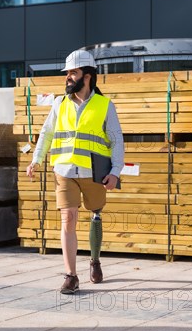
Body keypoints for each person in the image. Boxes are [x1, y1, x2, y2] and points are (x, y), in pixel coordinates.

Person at [26, 49, 124, 294]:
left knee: (95, 214)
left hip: (94, 173)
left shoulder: (104, 105)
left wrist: (115, 172)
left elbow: (116, 140)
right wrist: (36, 159)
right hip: (64, 171)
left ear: (88, 76)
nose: (68, 77)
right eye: (67, 73)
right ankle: (71, 275)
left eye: (73, 72)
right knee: (68, 218)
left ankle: (95, 259)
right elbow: (47, 133)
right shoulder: (59, 104)